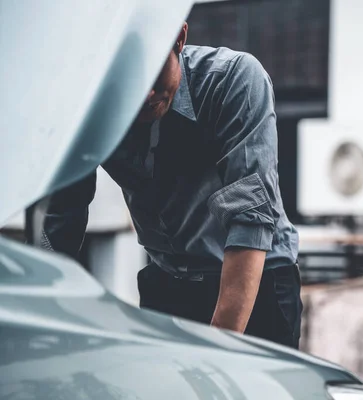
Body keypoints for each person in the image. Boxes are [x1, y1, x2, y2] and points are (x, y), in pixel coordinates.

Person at [36, 23, 302, 349]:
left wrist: (217, 354)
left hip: (254, 281)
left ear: (179, 38)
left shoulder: (235, 81)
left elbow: (249, 223)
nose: (146, 93)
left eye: (152, 72)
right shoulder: (89, 110)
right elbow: (62, 220)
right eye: (131, 81)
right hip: (167, 280)